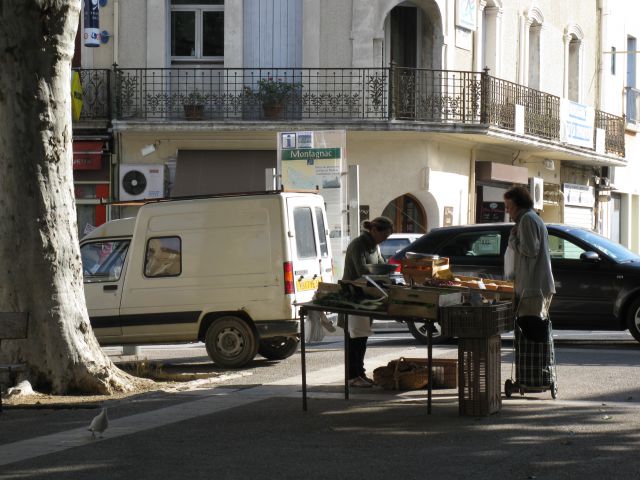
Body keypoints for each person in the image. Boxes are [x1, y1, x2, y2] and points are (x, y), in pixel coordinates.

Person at [342, 216, 394, 387]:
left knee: (362, 337)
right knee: (354, 338)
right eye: (383, 236)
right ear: (373, 230)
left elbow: (380, 263)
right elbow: (361, 270)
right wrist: (380, 273)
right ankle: (352, 376)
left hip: (368, 297)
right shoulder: (358, 245)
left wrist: (387, 270)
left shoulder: (375, 246)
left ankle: (360, 373)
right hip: (353, 297)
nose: (384, 240)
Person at [503, 186, 555, 317]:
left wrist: (513, 240)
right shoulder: (531, 218)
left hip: (533, 289)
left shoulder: (527, 219)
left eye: (509, 206)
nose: (507, 210)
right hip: (535, 288)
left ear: (518, 205)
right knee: (534, 330)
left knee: (531, 329)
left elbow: (530, 250)